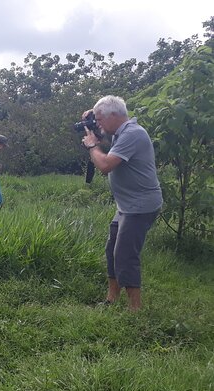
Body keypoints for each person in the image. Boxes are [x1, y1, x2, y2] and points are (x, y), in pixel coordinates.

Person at [81, 95, 163, 312]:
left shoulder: (133, 134)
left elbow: (105, 165)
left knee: (125, 254)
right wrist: (93, 116)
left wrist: (92, 146)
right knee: (112, 250)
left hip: (140, 205)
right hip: (126, 205)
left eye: (100, 120)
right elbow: (106, 123)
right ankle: (111, 298)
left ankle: (135, 310)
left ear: (114, 116)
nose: (98, 125)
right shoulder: (121, 133)